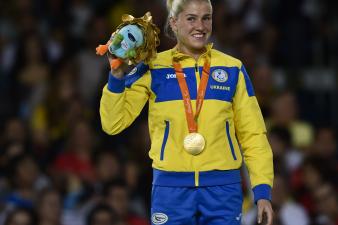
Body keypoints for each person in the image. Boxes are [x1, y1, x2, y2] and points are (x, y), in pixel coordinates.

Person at [99, 0, 274, 224]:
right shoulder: (153, 67)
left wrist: (262, 192)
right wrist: (116, 77)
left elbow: (254, 135)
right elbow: (113, 124)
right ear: (173, 22)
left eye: (206, 18)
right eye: (191, 18)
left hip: (223, 189)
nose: (200, 26)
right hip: (171, 189)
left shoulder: (232, 68)